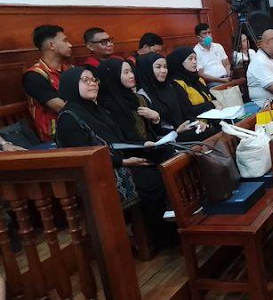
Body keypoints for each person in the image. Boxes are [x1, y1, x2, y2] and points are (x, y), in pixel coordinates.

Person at [56, 66, 174, 244]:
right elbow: (85, 157)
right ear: (71, 85)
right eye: (85, 80)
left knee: (166, 154)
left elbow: (119, 141)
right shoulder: (69, 118)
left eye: (94, 80)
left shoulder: (98, 109)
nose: (92, 84)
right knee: (151, 177)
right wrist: (123, 161)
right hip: (101, 172)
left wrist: (143, 145)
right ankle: (158, 236)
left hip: (119, 158)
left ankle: (176, 219)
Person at [135, 53, 214, 141]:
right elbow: (151, 131)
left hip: (182, 130)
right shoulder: (142, 96)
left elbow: (185, 113)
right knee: (208, 133)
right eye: (158, 67)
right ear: (147, 70)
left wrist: (195, 123)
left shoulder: (170, 86)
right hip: (166, 138)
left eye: (165, 67)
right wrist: (175, 131)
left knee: (210, 129)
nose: (163, 71)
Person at [23, 24, 73, 142]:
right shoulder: (34, 76)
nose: (70, 45)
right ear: (51, 45)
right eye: (65, 41)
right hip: (56, 136)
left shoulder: (70, 69)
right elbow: (62, 107)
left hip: (80, 125)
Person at [96, 59, 162, 143]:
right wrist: (143, 144)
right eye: (126, 72)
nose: (132, 75)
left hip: (152, 146)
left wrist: (155, 118)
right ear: (113, 76)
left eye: (131, 71)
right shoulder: (106, 106)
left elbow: (155, 132)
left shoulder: (139, 99)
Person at [167, 46, 221, 115]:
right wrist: (212, 104)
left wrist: (217, 105)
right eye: (190, 59)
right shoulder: (176, 83)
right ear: (180, 61)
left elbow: (211, 98)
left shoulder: (198, 79)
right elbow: (187, 111)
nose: (194, 62)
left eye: (195, 58)